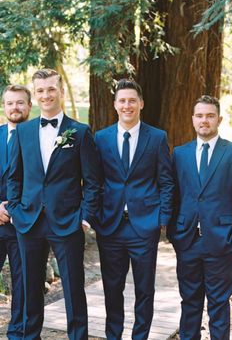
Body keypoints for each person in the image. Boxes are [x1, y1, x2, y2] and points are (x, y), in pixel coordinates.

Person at [7, 69, 102, 340]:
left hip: (68, 221)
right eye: (40, 91)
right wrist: (15, 209)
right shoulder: (23, 131)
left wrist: (85, 217)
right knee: (29, 287)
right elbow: (15, 175)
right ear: (35, 96)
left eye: (51, 89)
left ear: (60, 92)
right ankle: (29, 336)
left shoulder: (80, 132)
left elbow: (93, 181)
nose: (46, 95)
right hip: (29, 220)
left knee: (73, 288)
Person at [95, 78, 174, 340]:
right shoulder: (101, 138)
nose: (127, 105)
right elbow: (95, 181)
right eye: (122, 101)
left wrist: (162, 219)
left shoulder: (157, 137)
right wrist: (95, 216)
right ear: (115, 105)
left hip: (145, 226)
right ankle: (113, 336)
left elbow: (165, 181)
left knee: (144, 290)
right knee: (112, 288)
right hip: (111, 226)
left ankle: (140, 336)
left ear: (140, 103)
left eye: (132, 100)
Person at [168, 95, 232, 339]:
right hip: (187, 241)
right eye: (199, 116)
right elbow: (174, 196)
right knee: (190, 302)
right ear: (193, 119)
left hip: (222, 240)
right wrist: (175, 233)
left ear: (219, 118)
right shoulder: (180, 153)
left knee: (218, 303)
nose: (204, 120)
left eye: (209, 116)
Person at [0, 84, 32, 339]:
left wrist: (16, 208)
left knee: (24, 284)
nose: (15, 108)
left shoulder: (38, 138)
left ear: (29, 106)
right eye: (10, 103)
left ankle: (18, 334)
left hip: (25, 223)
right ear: (4, 106)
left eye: (20, 103)